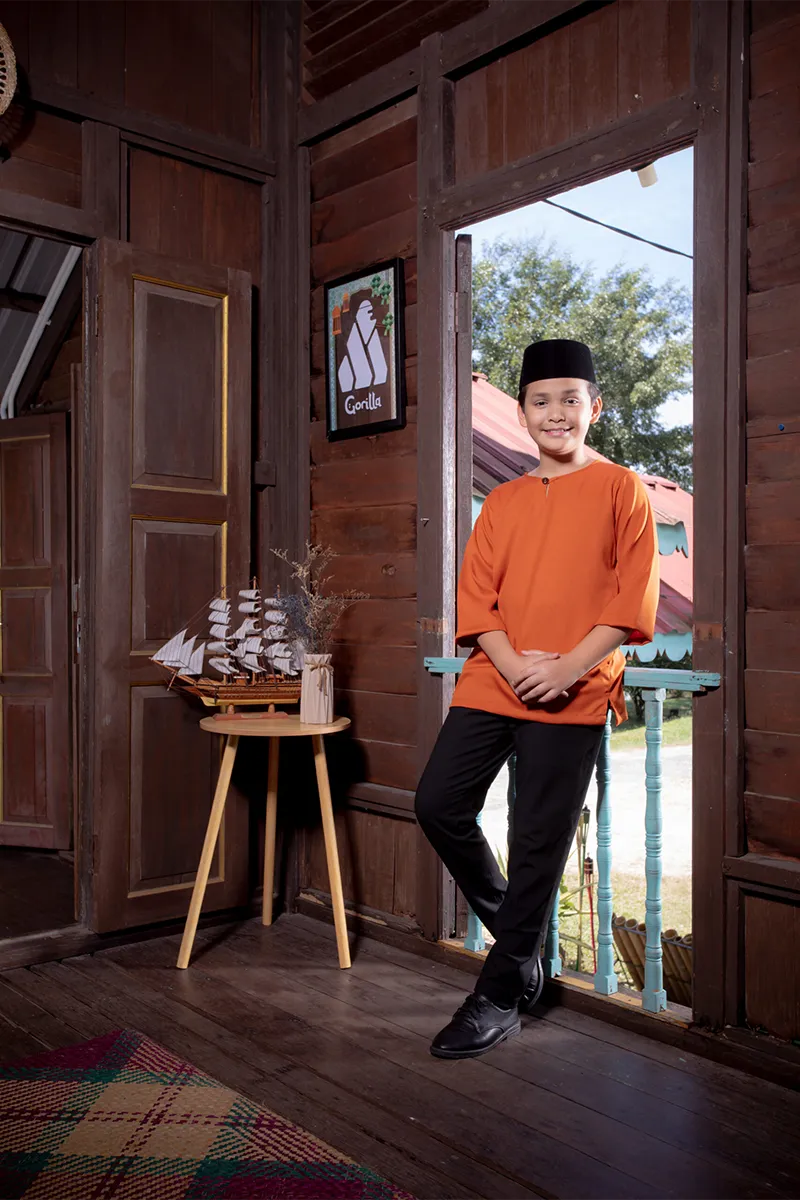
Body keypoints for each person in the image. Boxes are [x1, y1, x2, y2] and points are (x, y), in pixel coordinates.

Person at [415, 338, 659, 1060]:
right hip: (495, 677)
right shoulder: (504, 501)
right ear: (522, 413)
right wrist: (517, 663)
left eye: (569, 400)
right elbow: (476, 598)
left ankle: (496, 995)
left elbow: (631, 599)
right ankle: (521, 949)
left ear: (595, 408)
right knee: (438, 803)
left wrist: (568, 669)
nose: (556, 413)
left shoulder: (623, 489)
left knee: (537, 840)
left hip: (577, 687)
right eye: (541, 401)